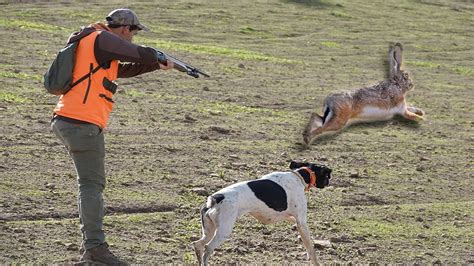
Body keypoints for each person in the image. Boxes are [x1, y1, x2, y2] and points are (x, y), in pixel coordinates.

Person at [50, 8, 174, 265]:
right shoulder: (102, 39)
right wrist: (157, 55)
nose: (132, 38)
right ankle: (95, 247)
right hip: (81, 123)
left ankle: (94, 246)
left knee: (89, 184)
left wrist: (155, 65)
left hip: (69, 119)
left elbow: (122, 69)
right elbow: (136, 53)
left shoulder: (93, 42)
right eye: (134, 32)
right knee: (91, 186)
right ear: (125, 29)